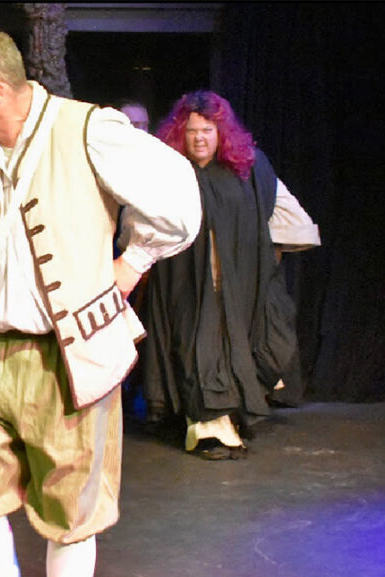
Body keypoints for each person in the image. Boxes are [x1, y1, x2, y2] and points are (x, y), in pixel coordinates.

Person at [0, 29, 201, 577]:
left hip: (69, 357)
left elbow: (177, 198)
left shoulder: (88, 131)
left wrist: (133, 262)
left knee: (72, 509)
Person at [140, 89, 321, 460]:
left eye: (207, 129)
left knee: (234, 349)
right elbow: (141, 221)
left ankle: (225, 421)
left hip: (233, 287)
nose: (200, 138)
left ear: (220, 132)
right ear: (180, 133)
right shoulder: (170, 173)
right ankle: (207, 428)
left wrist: (264, 260)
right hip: (185, 286)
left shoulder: (247, 171)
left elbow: (288, 217)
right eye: (192, 130)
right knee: (195, 353)